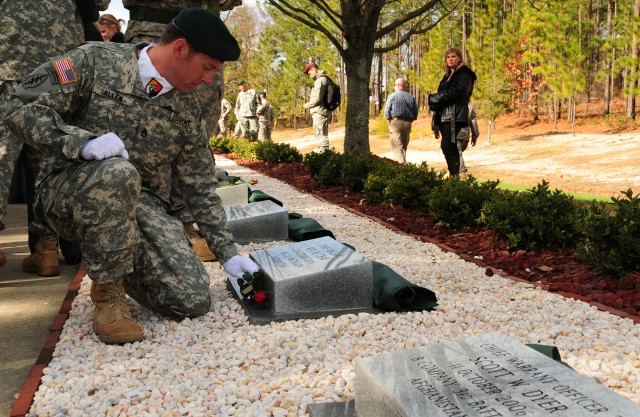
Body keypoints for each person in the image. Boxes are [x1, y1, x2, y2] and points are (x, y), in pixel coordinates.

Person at [5, 8, 260, 344]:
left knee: (190, 299)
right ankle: (108, 297)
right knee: (117, 172)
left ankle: (120, 260)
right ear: (181, 49)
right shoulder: (94, 61)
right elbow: (20, 106)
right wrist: (80, 143)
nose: (208, 79)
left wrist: (228, 251)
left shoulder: (186, 110)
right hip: (68, 196)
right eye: (207, 68)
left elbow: (200, 187)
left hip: (139, 208)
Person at [0, 0, 107, 272]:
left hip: (10, 55)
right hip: (59, 66)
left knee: (2, 157)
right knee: (49, 162)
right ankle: (46, 248)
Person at [428, 47, 477, 177]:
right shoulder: (446, 77)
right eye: (448, 57)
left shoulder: (465, 74)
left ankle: (456, 176)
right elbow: (442, 95)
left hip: (456, 114)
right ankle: (455, 176)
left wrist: (436, 97)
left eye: (453, 56)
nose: (450, 59)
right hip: (444, 116)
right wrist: (434, 101)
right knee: (448, 146)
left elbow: (459, 92)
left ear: (459, 58)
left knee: (448, 145)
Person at [384, 78, 419, 163]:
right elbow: (415, 112)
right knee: (403, 146)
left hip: (395, 123)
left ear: (399, 85)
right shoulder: (411, 97)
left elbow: (386, 111)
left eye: (395, 85)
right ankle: (400, 167)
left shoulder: (392, 96)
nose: (394, 86)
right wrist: (410, 121)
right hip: (407, 123)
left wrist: (389, 122)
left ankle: (403, 166)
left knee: (397, 147)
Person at [302, 61, 330, 151]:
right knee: (321, 135)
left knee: (321, 136)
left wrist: (307, 105)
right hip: (321, 112)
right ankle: (323, 156)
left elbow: (316, 99)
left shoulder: (320, 80)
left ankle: (323, 158)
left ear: (314, 69)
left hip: (320, 112)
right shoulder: (323, 79)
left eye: (309, 73)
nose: (309, 75)